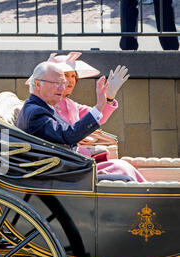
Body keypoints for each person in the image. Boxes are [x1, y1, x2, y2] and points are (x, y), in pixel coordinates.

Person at [16, 61, 147, 182]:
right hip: (63, 174)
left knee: (122, 166)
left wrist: (108, 99)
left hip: (67, 166)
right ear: (38, 84)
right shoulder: (36, 112)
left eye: (64, 83)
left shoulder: (40, 107)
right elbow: (68, 136)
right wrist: (100, 105)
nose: (63, 88)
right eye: (57, 83)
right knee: (124, 175)